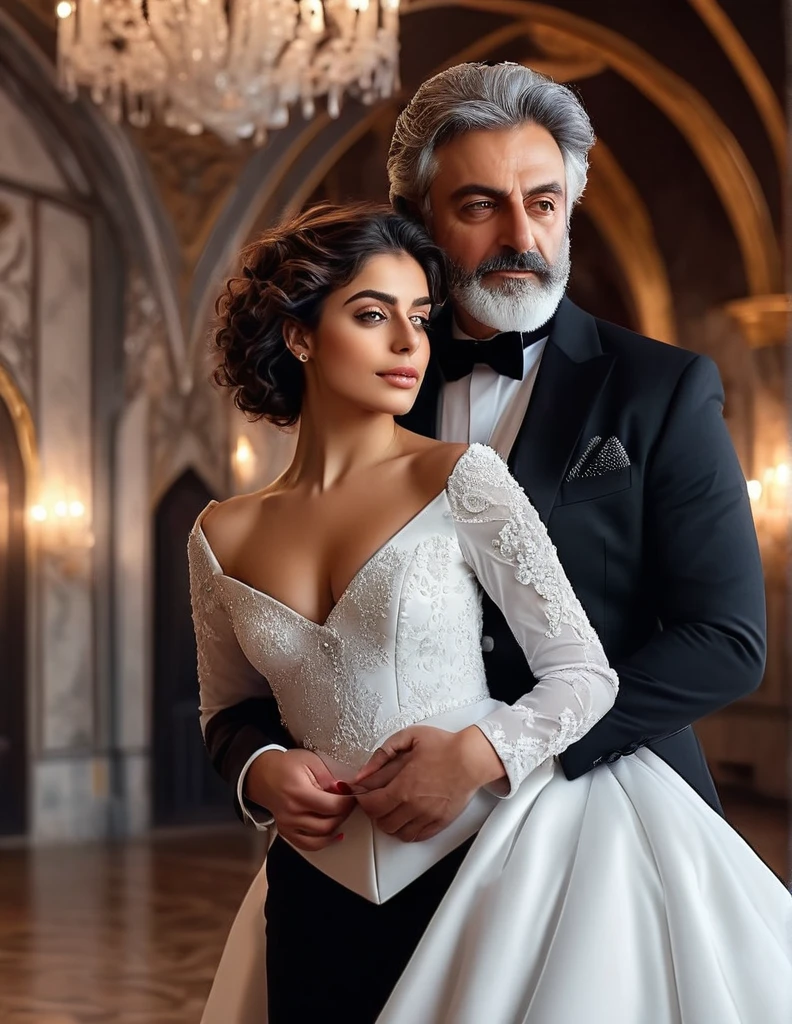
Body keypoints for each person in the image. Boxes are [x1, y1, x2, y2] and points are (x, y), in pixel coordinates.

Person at [190, 203, 790, 1024]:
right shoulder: (220, 531)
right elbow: (227, 709)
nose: (409, 344)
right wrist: (261, 770)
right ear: (300, 335)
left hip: (481, 859)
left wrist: (481, 752)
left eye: (421, 319)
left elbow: (582, 671)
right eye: (373, 316)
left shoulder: (462, 478)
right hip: (314, 878)